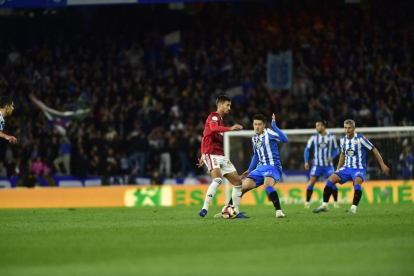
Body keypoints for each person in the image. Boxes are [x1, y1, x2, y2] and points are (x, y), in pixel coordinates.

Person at [214, 113, 289, 218]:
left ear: (264, 125)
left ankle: (279, 211)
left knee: (267, 184)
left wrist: (275, 127)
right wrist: (249, 169)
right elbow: (256, 155)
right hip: (259, 169)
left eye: (259, 124)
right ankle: (229, 211)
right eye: (255, 124)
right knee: (241, 187)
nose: (257, 127)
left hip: (273, 167)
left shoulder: (269, 133)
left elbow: (285, 140)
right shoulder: (254, 139)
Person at [312, 119, 390, 214]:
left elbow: (374, 149)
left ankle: (353, 208)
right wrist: (338, 169)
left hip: (359, 168)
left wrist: (382, 164)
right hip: (346, 168)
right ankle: (325, 205)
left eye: (349, 128)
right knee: (331, 178)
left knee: (357, 181)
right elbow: (342, 154)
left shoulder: (361, 139)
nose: (347, 130)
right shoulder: (343, 140)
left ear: (354, 128)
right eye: (345, 128)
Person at [197, 95, 244, 218]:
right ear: (220, 105)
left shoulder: (221, 120)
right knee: (217, 180)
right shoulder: (214, 116)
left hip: (220, 155)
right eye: (227, 105)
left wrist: (202, 154)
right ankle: (204, 209)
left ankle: (236, 211)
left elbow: (204, 136)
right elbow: (212, 128)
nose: (229, 108)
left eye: (230, 105)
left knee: (238, 182)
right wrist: (230, 128)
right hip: (211, 153)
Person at [304, 120, 339, 208]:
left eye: (318, 126)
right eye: (316, 126)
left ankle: (336, 202)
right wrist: (306, 161)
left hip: (328, 165)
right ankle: (307, 202)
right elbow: (307, 149)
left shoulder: (331, 137)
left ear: (323, 127)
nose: (316, 128)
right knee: (311, 182)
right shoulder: (314, 137)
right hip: (317, 165)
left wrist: (332, 157)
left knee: (333, 182)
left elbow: (337, 149)